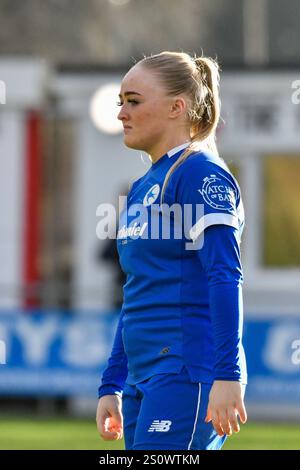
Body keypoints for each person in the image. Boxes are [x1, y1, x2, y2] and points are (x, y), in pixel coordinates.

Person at [96, 51, 247, 451]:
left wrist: (227, 375)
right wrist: (112, 382)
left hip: (187, 370)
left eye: (134, 101)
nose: (121, 114)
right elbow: (137, 290)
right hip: (145, 376)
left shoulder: (198, 172)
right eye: (120, 103)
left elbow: (225, 275)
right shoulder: (146, 184)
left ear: (177, 107)